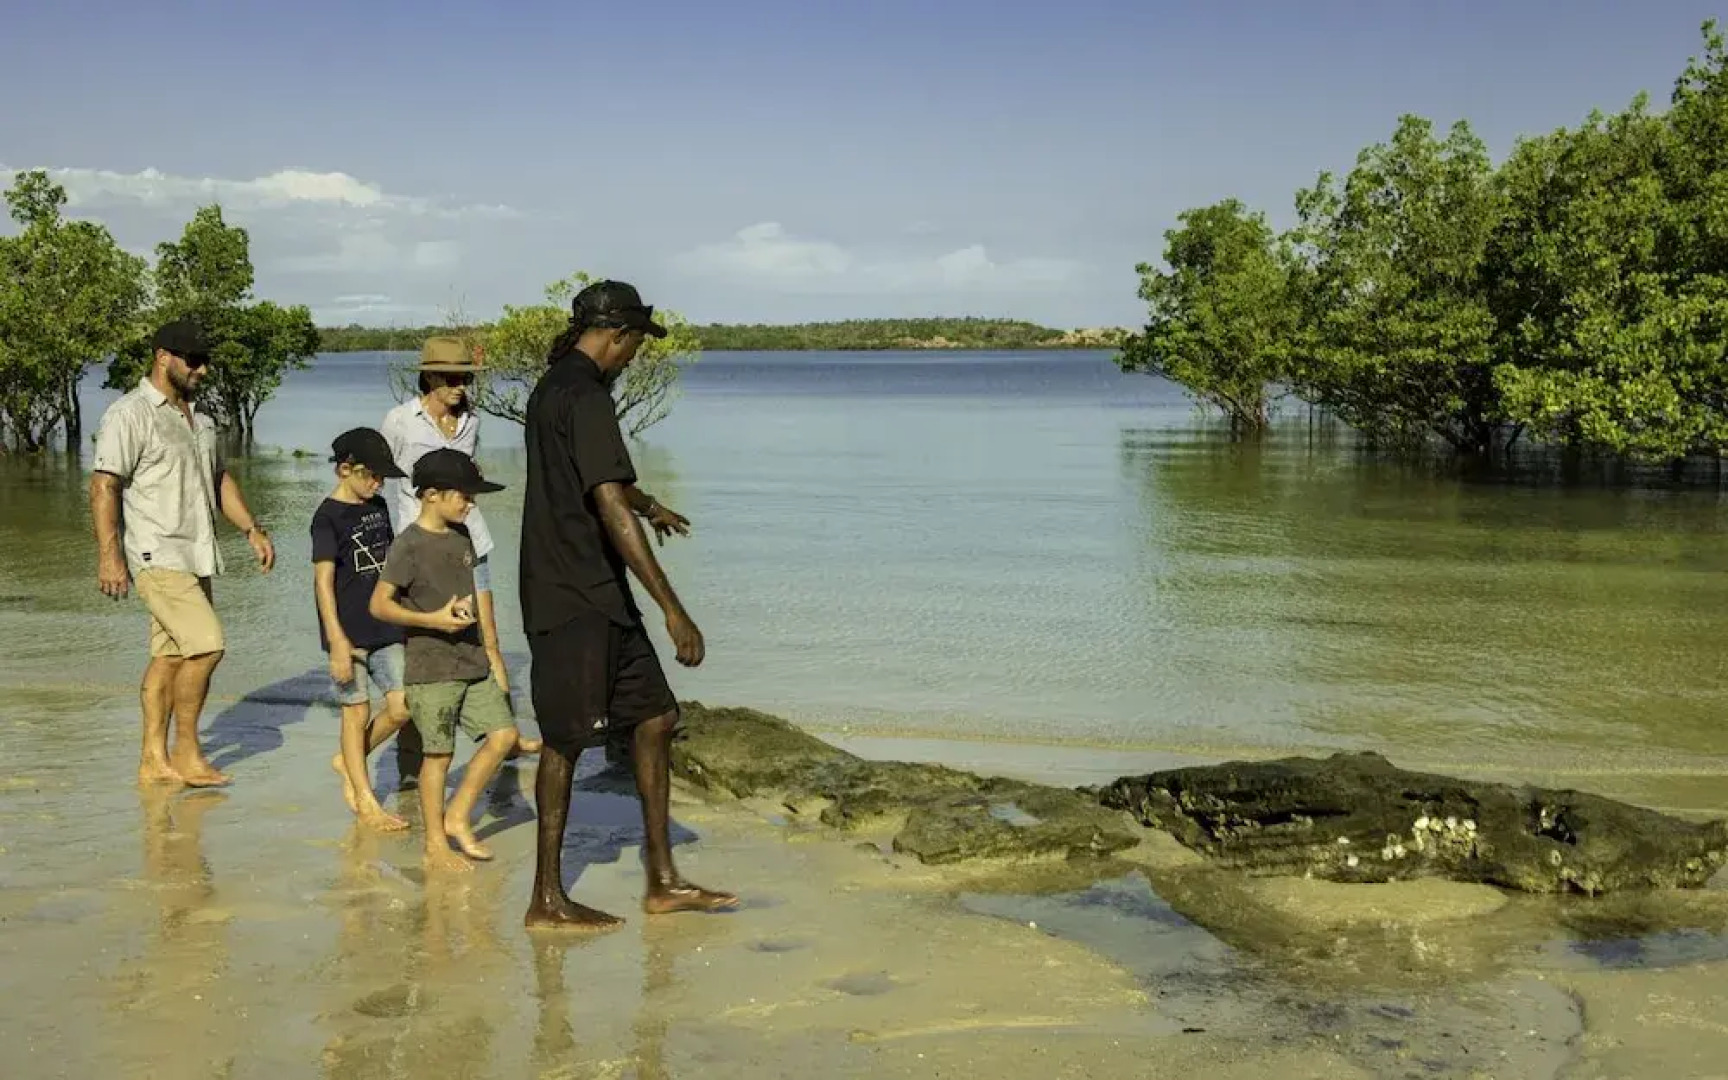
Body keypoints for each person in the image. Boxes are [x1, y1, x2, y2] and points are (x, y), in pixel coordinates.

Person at [519, 280, 736, 930]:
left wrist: (652, 506)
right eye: (637, 342)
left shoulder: (558, 386)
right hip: (572, 595)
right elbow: (606, 500)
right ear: (617, 335)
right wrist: (672, 606)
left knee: (657, 718)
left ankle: (663, 879)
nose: (637, 355)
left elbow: (603, 483)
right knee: (564, 742)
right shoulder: (582, 394)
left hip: (596, 592)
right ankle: (547, 898)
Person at [90, 318, 275, 788]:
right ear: (163, 357)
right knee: (208, 645)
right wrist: (109, 555)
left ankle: (153, 760)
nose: (203, 370)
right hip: (156, 553)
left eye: (205, 361)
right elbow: (104, 485)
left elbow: (219, 480)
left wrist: (252, 529)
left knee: (170, 657)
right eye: (193, 361)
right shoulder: (128, 414)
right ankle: (188, 753)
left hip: (198, 554)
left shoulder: (202, 420)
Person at [381, 336, 540, 782]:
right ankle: (414, 754)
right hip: (420, 551)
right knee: (423, 649)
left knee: (487, 635)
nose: (460, 385)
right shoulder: (399, 420)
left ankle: (504, 734)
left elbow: (469, 476)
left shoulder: (471, 421)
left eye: (465, 377)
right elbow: (383, 478)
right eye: (452, 377)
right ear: (430, 376)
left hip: (472, 541)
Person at [370, 448, 520, 873]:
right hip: (431, 669)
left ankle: (457, 815)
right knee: (437, 756)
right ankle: (435, 844)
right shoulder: (408, 545)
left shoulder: (464, 537)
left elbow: (467, 591)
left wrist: (474, 622)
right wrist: (430, 620)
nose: (471, 503)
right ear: (431, 494)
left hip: (472, 662)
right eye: (464, 496)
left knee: (504, 737)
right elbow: (379, 606)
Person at [312, 427, 414, 830]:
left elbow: (390, 564)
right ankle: (366, 799)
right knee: (356, 712)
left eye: (383, 477)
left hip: (385, 625)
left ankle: (347, 760)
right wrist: (337, 641)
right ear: (344, 470)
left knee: (402, 707)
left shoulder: (379, 507)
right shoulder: (326, 518)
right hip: (346, 634)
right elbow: (322, 583)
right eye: (371, 475)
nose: (378, 483)